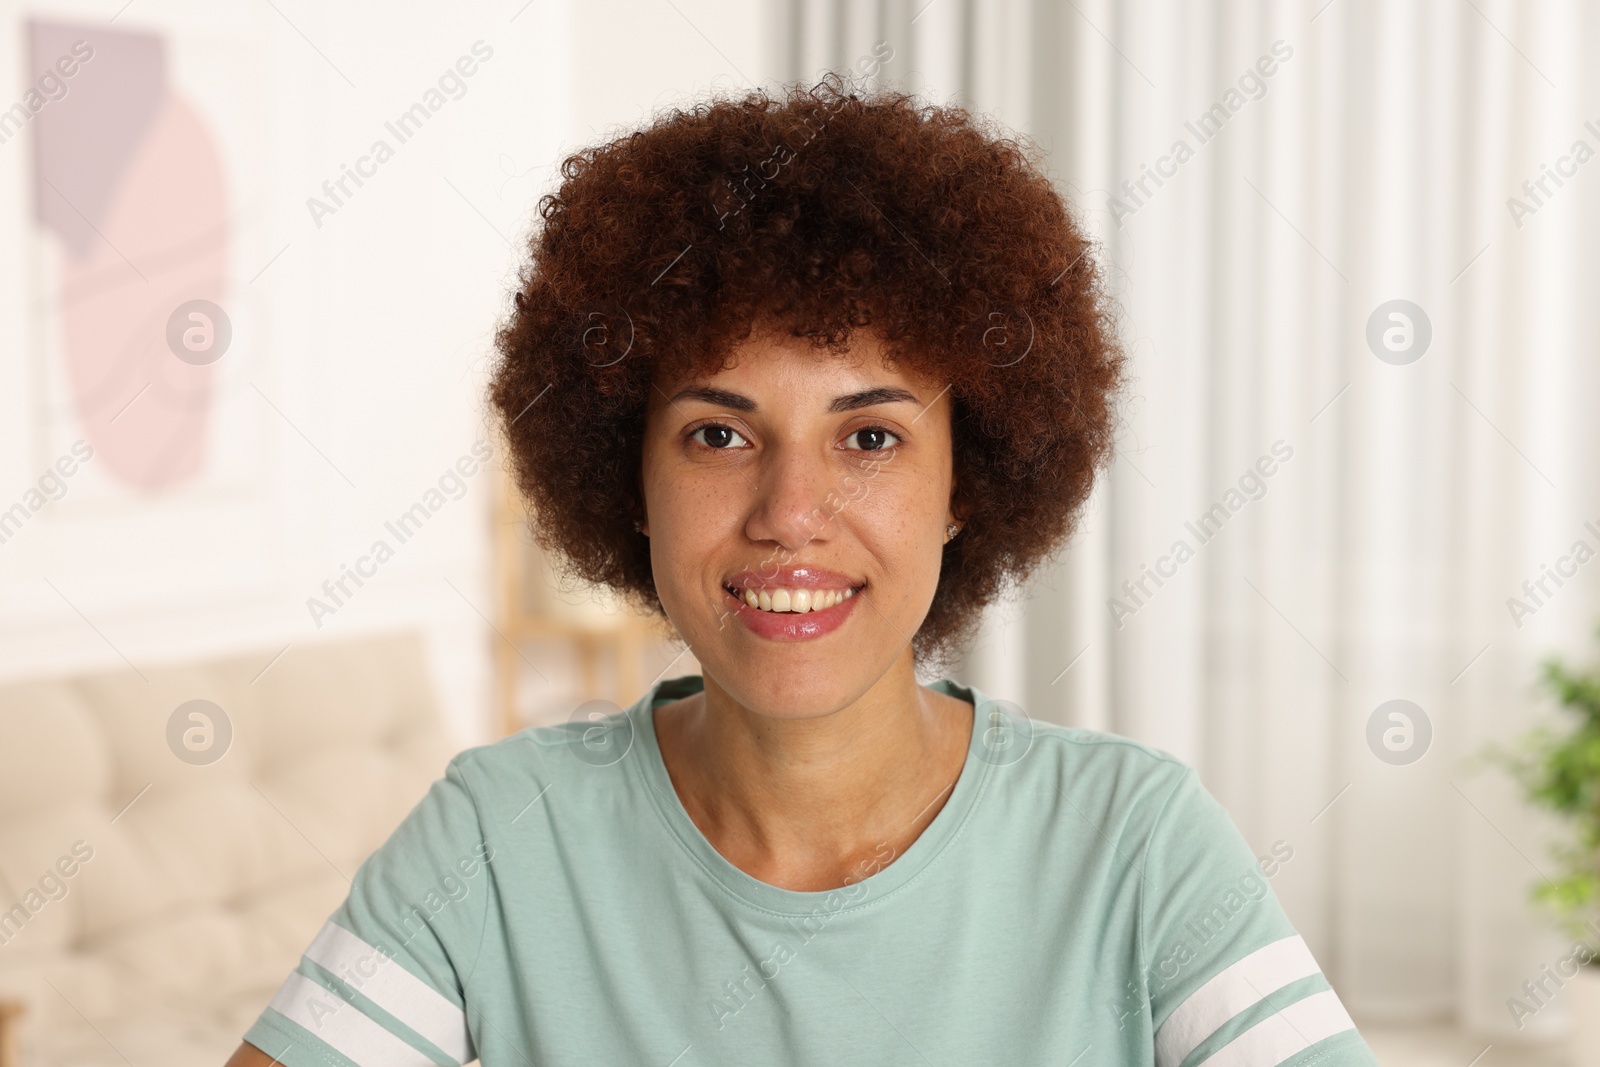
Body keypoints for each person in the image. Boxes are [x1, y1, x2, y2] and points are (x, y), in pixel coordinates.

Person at [227, 76, 1378, 1066]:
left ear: (964, 481)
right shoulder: (501, 833)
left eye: (868, 437)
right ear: (628, 472)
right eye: (718, 434)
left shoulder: (1131, 838)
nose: (788, 514)